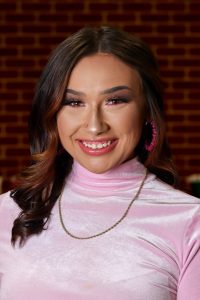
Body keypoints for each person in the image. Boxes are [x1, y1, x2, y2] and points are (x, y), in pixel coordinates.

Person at [0, 26, 200, 300]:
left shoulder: (190, 222)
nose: (94, 126)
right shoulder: (6, 213)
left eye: (115, 100)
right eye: (74, 102)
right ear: (52, 113)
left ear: (146, 110)